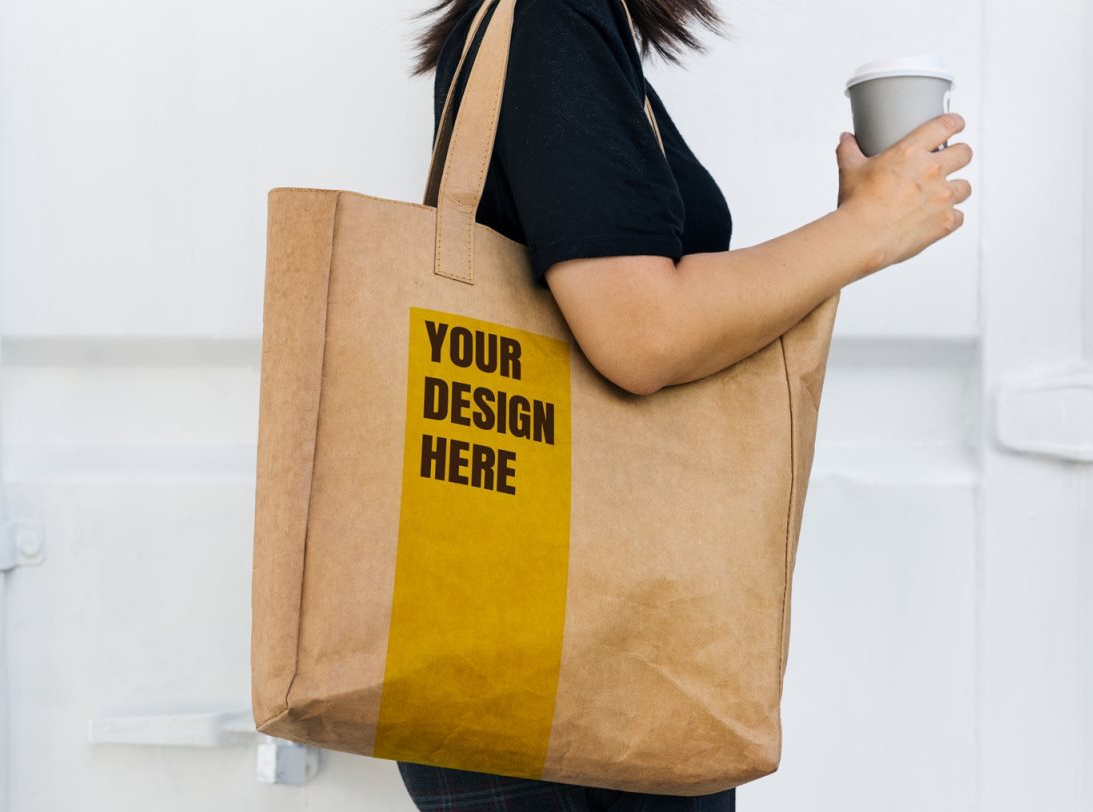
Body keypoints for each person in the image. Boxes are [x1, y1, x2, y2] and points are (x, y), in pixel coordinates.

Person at [396, 0, 973, 809]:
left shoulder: (573, 25)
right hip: (556, 670)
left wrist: (862, 225)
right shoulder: (553, 21)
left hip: (567, 646)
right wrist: (864, 230)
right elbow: (641, 333)